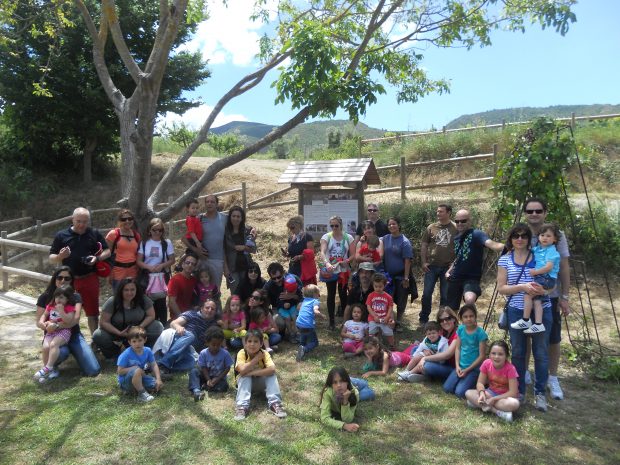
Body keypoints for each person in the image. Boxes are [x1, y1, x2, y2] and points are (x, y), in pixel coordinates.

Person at [497, 223, 551, 412]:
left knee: (541, 352)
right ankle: (518, 390)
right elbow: (501, 288)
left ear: (529, 239)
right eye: (516, 235)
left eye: (524, 236)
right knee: (518, 352)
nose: (519, 239)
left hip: (541, 310)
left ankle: (540, 393)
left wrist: (542, 289)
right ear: (511, 239)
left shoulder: (539, 256)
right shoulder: (504, 260)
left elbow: (551, 282)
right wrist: (522, 287)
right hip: (516, 310)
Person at [523, 198, 570, 400]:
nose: (534, 214)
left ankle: (552, 377)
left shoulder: (557, 237)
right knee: (524, 334)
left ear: (545, 212)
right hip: (525, 293)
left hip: (550, 295)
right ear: (525, 213)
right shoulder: (521, 234)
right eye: (530, 211)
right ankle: (524, 371)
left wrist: (565, 296)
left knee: (553, 338)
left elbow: (565, 267)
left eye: (538, 210)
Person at [49, 207, 111, 334]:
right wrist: (60, 256)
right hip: (68, 281)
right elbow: (51, 257)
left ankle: (95, 340)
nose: (82, 224)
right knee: (66, 310)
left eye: (85, 221)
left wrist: (97, 258)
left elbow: (108, 251)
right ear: (72, 219)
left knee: (92, 313)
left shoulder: (94, 233)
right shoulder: (62, 235)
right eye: (78, 221)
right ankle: (67, 338)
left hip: (90, 277)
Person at [34, 267, 100, 378]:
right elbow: (39, 322)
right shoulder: (45, 297)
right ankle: (51, 367)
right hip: (52, 336)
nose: (63, 281)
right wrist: (45, 326)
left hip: (73, 335)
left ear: (72, 280)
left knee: (93, 370)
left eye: (67, 278)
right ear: (54, 279)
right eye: (59, 277)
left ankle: (73, 350)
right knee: (59, 351)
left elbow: (74, 320)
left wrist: (57, 325)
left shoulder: (76, 297)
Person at [445, 209, 504, 311]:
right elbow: (459, 257)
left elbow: (493, 245)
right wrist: (449, 270)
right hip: (455, 277)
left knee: (469, 299)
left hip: (471, 278)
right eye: (457, 221)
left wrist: (512, 245)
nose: (460, 223)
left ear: (469, 221)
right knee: (451, 309)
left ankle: (468, 324)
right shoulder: (457, 237)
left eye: (463, 221)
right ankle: (456, 326)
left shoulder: (477, 234)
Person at [92, 277, 164, 359]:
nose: (129, 293)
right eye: (126, 290)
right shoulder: (112, 301)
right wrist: (119, 333)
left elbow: (151, 315)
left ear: (136, 290)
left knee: (158, 326)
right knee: (98, 335)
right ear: (121, 290)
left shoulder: (143, 299)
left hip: (139, 330)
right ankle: (115, 354)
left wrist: (139, 327)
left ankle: (145, 350)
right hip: (118, 331)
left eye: (132, 289)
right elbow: (103, 322)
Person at [512, 223, 561, 334]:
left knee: (528, 294)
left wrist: (535, 272)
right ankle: (538, 324)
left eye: (548, 236)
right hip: (542, 277)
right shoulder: (538, 249)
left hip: (546, 278)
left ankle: (526, 320)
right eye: (542, 235)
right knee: (537, 300)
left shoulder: (552, 251)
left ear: (554, 239)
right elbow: (526, 251)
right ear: (538, 237)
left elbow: (549, 267)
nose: (545, 238)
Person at [233, 329, 287, 420]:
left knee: (271, 375)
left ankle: (275, 404)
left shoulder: (264, 353)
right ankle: (242, 407)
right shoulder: (242, 353)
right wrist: (256, 359)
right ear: (245, 343)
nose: (252, 344)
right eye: (249, 341)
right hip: (244, 384)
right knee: (244, 376)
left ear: (261, 344)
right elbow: (241, 370)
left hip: (259, 382)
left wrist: (252, 373)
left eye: (256, 341)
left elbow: (272, 369)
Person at [154, 299, 220, 374]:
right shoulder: (191, 314)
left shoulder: (213, 325)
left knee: (195, 363)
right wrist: (178, 327)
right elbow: (173, 323)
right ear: (201, 308)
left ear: (215, 312)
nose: (209, 310)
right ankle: (164, 364)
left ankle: (164, 368)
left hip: (189, 350)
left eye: (213, 309)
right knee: (190, 336)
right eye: (207, 307)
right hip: (179, 340)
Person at [464, 340, 520, 423]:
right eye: (493, 353)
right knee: (468, 393)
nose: (496, 357)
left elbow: (513, 392)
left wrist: (494, 399)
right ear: (489, 354)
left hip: (504, 397)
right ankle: (497, 412)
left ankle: (478, 404)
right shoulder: (486, 363)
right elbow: (480, 383)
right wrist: (482, 393)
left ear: (506, 356)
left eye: (500, 354)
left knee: (514, 404)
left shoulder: (510, 369)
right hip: (490, 393)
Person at [420, 204, 457, 325]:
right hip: (431, 266)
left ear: (448, 213)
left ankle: (442, 320)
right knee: (426, 293)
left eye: (441, 211)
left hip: (447, 267)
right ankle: (424, 318)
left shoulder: (456, 228)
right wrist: (423, 261)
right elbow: (424, 245)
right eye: (437, 211)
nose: (438, 214)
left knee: (445, 296)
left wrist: (455, 264)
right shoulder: (431, 227)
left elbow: (460, 247)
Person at [182, 194, 226, 290]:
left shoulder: (224, 218)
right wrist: (196, 250)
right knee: (198, 289)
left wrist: (252, 231)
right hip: (201, 260)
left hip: (217, 260)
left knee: (215, 290)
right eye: (207, 202)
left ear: (217, 204)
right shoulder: (198, 219)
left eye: (212, 202)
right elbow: (184, 238)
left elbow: (241, 226)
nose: (209, 204)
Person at [443, 304, 488, 398]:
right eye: (465, 317)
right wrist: (457, 366)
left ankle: (479, 382)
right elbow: (458, 348)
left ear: (475, 317)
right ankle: (464, 379)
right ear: (461, 318)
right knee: (447, 389)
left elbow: (482, 356)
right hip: (461, 366)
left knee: (459, 393)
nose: (468, 319)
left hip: (474, 369)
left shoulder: (481, 333)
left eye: (471, 316)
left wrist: (467, 370)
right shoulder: (460, 329)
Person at [136, 218, 175, 325]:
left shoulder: (166, 243)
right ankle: (150, 326)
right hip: (147, 277)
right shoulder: (144, 243)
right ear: (149, 230)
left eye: (160, 230)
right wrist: (148, 267)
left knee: (161, 303)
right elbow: (139, 261)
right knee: (148, 303)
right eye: (154, 230)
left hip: (161, 277)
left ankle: (162, 326)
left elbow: (172, 260)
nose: (157, 232)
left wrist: (162, 265)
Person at [34, 285, 77, 382]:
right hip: (51, 331)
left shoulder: (69, 308)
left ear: (68, 298)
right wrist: (42, 322)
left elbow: (68, 320)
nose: (58, 299)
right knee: (45, 347)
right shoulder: (51, 305)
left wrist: (61, 311)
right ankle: (47, 370)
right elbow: (44, 315)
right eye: (57, 297)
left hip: (63, 331)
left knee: (54, 344)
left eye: (61, 297)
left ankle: (49, 367)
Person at [320, 215, 356, 329]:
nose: (334, 227)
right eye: (332, 225)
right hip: (331, 269)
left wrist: (347, 261)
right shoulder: (327, 236)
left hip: (343, 270)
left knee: (343, 294)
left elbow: (353, 254)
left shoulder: (348, 237)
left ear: (341, 225)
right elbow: (322, 252)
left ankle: (345, 321)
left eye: (336, 225)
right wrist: (327, 263)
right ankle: (331, 321)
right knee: (331, 294)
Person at [382, 216, 414, 331]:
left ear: (399, 225)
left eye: (394, 224)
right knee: (387, 299)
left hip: (401, 276)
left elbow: (407, 260)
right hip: (387, 277)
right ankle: (388, 320)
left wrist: (406, 278)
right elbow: (373, 241)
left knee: (401, 299)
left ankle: (399, 321)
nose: (391, 226)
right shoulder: (385, 238)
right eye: (389, 224)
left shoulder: (405, 242)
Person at [319, 367, 375, 432]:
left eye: (341, 381)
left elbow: (348, 419)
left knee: (368, 389)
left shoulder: (355, 393)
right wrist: (344, 425)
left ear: (346, 382)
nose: (339, 385)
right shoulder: (327, 393)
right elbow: (324, 418)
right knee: (369, 392)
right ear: (331, 385)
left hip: (351, 385)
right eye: (335, 382)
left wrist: (346, 399)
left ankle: (353, 380)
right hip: (347, 385)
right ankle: (349, 380)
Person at [117, 326, 163, 403]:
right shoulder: (126, 354)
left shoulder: (147, 350)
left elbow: (154, 364)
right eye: (134, 341)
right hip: (126, 381)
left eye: (140, 340)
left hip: (140, 377)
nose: (137, 344)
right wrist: (134, 368)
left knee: (158, 385)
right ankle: (141, 394)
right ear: (129, 342)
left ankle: (137, 389)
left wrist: (158, 379)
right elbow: (120, 371)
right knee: (137, 370)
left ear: (145, 340)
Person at [188, 326, 234, 401]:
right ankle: (196, 390)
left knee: (224, 386)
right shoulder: (203, 353)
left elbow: (227, 368)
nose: (216, 347)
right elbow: (203, 367)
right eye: (213, 344)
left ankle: (206, 386)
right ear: (207, 343)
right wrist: (208, 379)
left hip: (219, 378)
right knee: (194, 372)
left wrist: (218, 379)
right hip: (206, 376)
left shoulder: (225, 354)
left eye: (218, 345)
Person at [418, 307, 459, 382]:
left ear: (453, 318)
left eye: (447, 318)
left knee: (427, 365)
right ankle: (423, 373)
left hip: (452, 366)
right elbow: (428, 341)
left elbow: (447, 355)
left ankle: (425, 373)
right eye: (441, 320)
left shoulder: (458, 332)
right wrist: (424, 350)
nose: (445, 322)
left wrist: (424, 358)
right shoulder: (442, 331)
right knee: (416, 349)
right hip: (440, 361)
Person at [263, 262, 303, 337]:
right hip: (278, 308)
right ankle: (286, 332)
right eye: (273, 278)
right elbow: (263, 300)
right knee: (280, 323)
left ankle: (299, 330)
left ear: (284, 273)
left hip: (294, 305)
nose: (277, 280)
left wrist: (292, 296)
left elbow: (301, 297)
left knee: (303, 308)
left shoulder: (292, 279)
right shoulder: (269, 286)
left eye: (279, 277)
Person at [105, 209, 141, 291]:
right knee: (119, 298)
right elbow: (107, 255)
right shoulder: (113, 234)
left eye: (130, 218)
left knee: (132, 297)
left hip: (133, 272)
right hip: (118, 272)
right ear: (119, 221)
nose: (127, 221)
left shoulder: (136, 235)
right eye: (124, 219)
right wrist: (109, 274)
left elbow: (137, 254)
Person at [224, 205, 257, 293]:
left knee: (247, 292)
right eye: (233, 216)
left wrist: (244, 248)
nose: (236, 218)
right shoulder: (225, 232)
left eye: (238, 216)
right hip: (232, 268)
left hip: (246, 265)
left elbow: (253, 249)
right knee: (235, 293)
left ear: (242, 218)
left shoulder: (247, 230)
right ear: (229, 217)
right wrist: (225, 268)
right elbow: (223, 251)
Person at [295, 284, 325, 361]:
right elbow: (315, 310)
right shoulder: (315, 301)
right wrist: (321, 316)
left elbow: (298, 308)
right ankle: (305, 349)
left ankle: (301, 346)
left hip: (298, 323)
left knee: (303, 335)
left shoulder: (304, 301)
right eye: (318, 293)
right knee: (314, 342)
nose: (319, 295)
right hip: (307, 324)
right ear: (315, 294)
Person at [366, 273, 396, 349]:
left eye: (380, 286)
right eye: (376, 286)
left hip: (384, 318)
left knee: (389, 332)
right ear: (373, 285)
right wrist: (374, 316)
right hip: (373, 318)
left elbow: (390, 307)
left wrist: (387, 317)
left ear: (384, 285)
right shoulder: (371, 295)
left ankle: (392, 345)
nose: (378, 288)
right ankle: (372, 345)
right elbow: (368, 307)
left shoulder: (388, 297)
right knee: (372, 332)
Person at [284, 215, 315, 284]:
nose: (291, 230)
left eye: (292, 227)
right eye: (289, 228)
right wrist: (286, 254)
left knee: (304, 289)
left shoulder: (307, 237)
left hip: (304, 268)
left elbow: (311, 253)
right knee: (291, 287)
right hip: (292, 267)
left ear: (299, 225)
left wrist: (299, 257)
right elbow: (291, 252)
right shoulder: (291, 238)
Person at [167, 253, 199, 321]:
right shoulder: (175, 280)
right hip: (177, 318)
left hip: (191, 315)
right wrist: (182, 317)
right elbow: (172, 302)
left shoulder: (194, 280)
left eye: (193, 264)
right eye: (188, 262)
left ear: (195, 267)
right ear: (183, 264)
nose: (190, 265)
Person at [278, 274, 301, 342]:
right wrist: (283, 304)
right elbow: (278, 302)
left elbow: (300, 297)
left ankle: (297, 332)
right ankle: (291, 334)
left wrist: (294, 297)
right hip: (282, 308)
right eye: (289, 291)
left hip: (292, 306)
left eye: (293, 291)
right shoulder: (281, 290)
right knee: (287, 318)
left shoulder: (297, 289)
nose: (291, 292)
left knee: (294, 316)